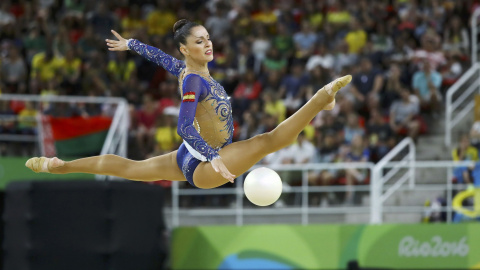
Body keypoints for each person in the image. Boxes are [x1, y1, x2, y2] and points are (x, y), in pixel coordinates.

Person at [25, 19, 352, 189]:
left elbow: (160, 57)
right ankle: (322, 98)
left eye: (208, 37)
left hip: (192, 156)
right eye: (199, 41)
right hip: (206, 163)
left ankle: (61, 166)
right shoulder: (193, 81)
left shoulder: (185, 69)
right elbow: (183, 126)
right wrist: (214, 158)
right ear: (186, 49)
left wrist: (132, 44)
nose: (208, 44)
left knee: (132, 168)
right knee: (268, 141)